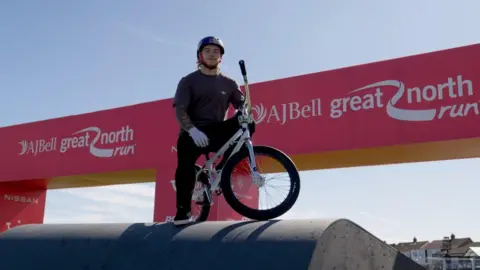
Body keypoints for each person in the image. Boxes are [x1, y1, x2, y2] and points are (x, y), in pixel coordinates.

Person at [172, 36, 255, 226]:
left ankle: (222, 166)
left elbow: (241, 105)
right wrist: (192, 130)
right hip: (192, 132)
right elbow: (180, 110)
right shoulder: (188, 81)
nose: (212, 54)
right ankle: (182, 212)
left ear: (221, 57)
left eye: (216, 51)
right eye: (207, 51)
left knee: (248, 124)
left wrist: (243, 110)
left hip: (217, 130)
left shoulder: (229, 83)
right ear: (200, 55)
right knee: (185, 167)